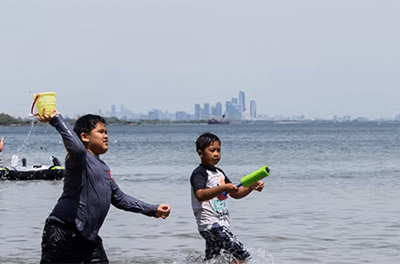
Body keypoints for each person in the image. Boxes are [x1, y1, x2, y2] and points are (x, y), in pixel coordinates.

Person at [36, 108, 171, 263]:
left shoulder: (103, 168)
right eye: (100, 132)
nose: (106, 136)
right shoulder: (78, 160)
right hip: (62, 231)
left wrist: (153, 210)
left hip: (88, 237)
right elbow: (77, 149)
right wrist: (56, 119)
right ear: (84, 137)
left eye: (106, 132)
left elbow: (119, 198)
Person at [190, 132, 264, 263]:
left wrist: (251, 187)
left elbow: (236, 193)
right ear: (200, 153)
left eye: (218, 150)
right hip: (211, 225)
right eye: (212, 150)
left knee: (213, 260)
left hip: (220, 224)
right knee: (241, 254)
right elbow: (200, 195)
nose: (216, 154)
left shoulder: (219, 172)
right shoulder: (199, 173)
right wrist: (224, 188)